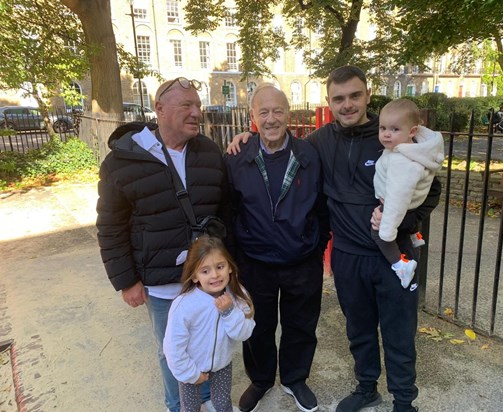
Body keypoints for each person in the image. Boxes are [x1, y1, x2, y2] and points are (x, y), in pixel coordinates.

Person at [227, 66, 441, 412]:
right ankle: (365, 388)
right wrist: (244, 137)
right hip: (346, 256)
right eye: (339, 98)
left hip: (390, 254)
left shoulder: (392, 136)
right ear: (329, 102)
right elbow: (275, 149)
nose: (347, 104)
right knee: (359, 331)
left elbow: (432, 185)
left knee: (399, 334)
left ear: (368, 96)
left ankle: (404, 402)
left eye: (355, 95)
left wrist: (407, 221)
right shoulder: (319, 143)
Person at [96, 77, 227, 412]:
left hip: (208, 280)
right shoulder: (122, 162)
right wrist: (127, 280)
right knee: (173, 349)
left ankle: (209, 400)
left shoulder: (210, 152)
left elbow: (229, 211)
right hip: (161, 284)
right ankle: (179, 405)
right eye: (187, 105)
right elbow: (110, 227)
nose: (197, 112)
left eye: (197, 105)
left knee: (210, 342)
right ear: (159, 109)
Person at [224, 83, 330, 412]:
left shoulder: (309, 154)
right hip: (254, 262)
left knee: (301, 324)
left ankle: (295, 378)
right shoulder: (236, 156)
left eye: (278, 111)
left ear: (288, 113)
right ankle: (261, 379)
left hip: (302, 260)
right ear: (252, 117)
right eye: (263, 112)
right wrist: (234, 260)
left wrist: (316, 245)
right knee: (258, 326)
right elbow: (228, 209)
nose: (271, 119)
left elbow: (323, 206)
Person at [164, 235, 255, 412]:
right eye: (205, 271)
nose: (214, 275)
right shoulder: (185, 304)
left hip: (222, 363)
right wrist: (191, 374)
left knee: (222, 405)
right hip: (192, 366)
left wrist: (229, 313)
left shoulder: (237, 295)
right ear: (195, 276)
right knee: (190, 408)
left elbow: (245, 333)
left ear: (229, 267)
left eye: (220, 267)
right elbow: (173, 346)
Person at [372, 99, 444, 289]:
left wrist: (386, 227)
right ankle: (415, 236)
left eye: (395, 129)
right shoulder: (409, 149)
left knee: (378, 233)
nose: (387, 134)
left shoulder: (402, 162)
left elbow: (398, 197)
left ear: (412, 131)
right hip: (410, 201)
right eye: (383, 128)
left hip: (395, 203)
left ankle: (401, 265)